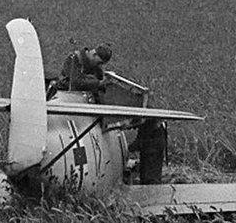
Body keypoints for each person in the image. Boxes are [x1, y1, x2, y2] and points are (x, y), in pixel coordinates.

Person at [49, 43, 167, 184]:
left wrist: (99, 81)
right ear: (93, 54)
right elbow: (76, 82)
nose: (99, 66)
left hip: (83, 99)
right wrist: (98, 83)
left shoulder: (92, 65)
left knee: (150, 174)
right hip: (67, 96)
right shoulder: (75, 59)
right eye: (99, 62)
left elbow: (98, 78)